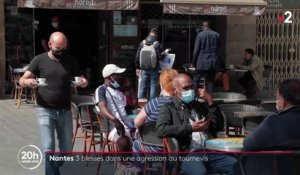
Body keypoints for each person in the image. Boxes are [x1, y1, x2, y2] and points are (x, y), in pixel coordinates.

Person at [19, 32, 88, 175]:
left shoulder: (70, 60)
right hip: (45, 109)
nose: (61, 51)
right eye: (58, 48)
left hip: (65, 110)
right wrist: (28, 81)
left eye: (63, 48)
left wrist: (83, 82)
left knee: (67, 149)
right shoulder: (39, 60)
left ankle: (57, 168)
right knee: (48, 147)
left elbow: (80, 78)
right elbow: (22, 80)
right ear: (50, 45)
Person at [156, 73, 237, 175]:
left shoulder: (198, 106)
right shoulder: (169, 108)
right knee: (200, 172)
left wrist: (210, 101)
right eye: (186, 88)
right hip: (187, 154)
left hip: (208, 151)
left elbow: (218, 126)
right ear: (176, 91)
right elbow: (161, 130)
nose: (190, 90)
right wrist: (190, 128)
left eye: (191, 87)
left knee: (235, 165)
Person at [242, 79, 300, 175]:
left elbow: (248, 144)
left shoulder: (275, 121)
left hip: (275, 170)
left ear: (283, 101)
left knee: (236, 166)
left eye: (278, 97)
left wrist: (278, 113)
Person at [94, 64, 134, 142]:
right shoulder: (101, 90)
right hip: (112, 126)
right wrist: (115, 121)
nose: (120, 77)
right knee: (124, 141)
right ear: (109, 77)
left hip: (126, 122)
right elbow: (102, 108)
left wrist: (129, 87)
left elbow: (133, 103)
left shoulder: (119, 90)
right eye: (117, 75)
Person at [135, 27, 168, 101]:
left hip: (144, 68)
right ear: (156, 35)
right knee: (153, 85)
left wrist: (137, 67)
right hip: (154, 68)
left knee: (143, 85)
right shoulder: (157, 44)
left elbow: (137, 55)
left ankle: (141, 103)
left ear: (149, 33)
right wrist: (165, 53)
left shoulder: (142, 43)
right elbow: (160, 57)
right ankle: (151, 103)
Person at [192, 21, 221, 94]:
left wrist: (193, 62)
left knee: (196, 79)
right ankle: (209, 98)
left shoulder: (200, 35)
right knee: (210, 80)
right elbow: (219, 47)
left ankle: (195, 95)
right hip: (212, 62)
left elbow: (196, 50)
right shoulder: (217, 35)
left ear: (203, 26)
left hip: (201, 62)